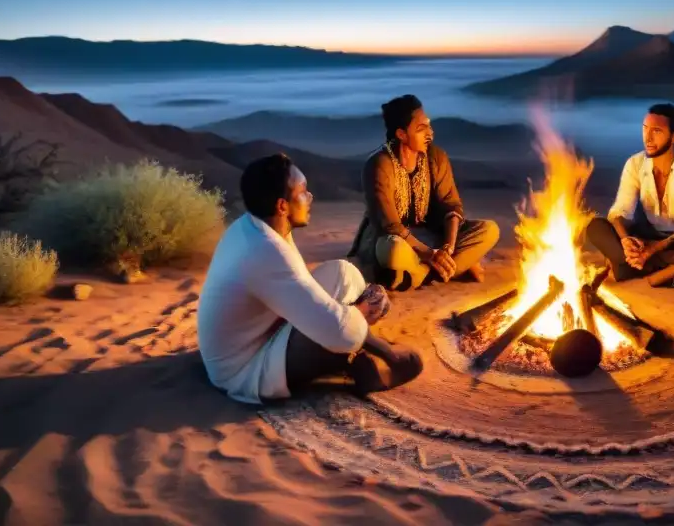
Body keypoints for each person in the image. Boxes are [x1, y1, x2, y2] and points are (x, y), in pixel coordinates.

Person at [197, 153, 422, 404]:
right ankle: (368, 362)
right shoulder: (264, 250)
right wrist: (381, 341)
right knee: (334, 331)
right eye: (303, 192)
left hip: (259, 334)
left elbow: (301, 288)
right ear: (282, 206)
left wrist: (357, 308)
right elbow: (333, 328)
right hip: (243, 370)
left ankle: (352, 352)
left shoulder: (254, 226)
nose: (310, 197)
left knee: (342, 273)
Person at [348, 94, 500, 290]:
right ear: (401, 134)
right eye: (421, 129)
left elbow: (451, 205)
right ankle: (448, 269)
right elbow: (390, 225)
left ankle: (417, 275)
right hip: (395, 241)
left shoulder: (436, 157)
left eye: (429, 125)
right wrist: (430, 254)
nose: (430, 134)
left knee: (489, 230)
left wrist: (448, 247)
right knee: (392, 251)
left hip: (432, 236)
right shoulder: (379, 165)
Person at [585, 103, 674, 285]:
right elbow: (621, 209)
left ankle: (631, 266)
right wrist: (625, 240)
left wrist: (652, 250)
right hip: (650, 237)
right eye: (645, 129)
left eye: (657, 131)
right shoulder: (635, 164)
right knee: (596, 226)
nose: (648, 137)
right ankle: (669, 269)